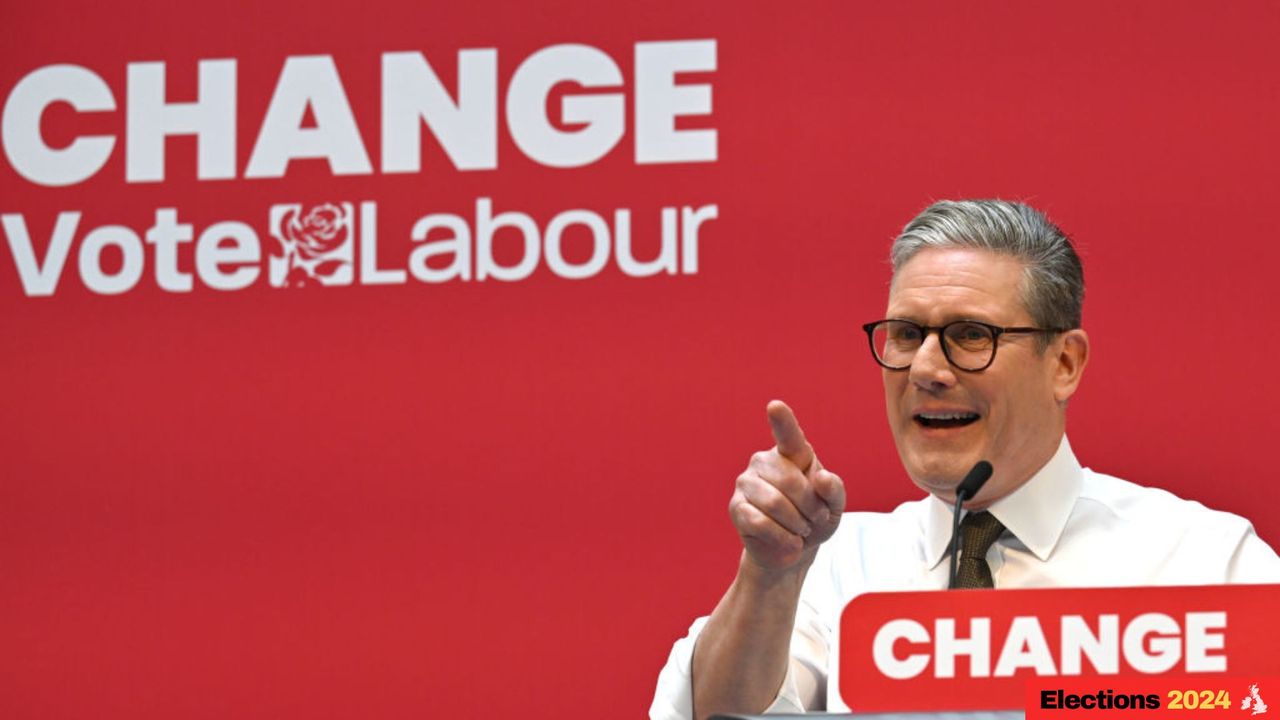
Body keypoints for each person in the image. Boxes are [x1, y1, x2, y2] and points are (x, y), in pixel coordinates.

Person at [649, 199, 1280, 720]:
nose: (925, 368)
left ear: (1064, 363)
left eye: (971, 335)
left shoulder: (1203, 563)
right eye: (906, 334)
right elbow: (711, 714)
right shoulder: (830, 569)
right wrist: (769, 573)